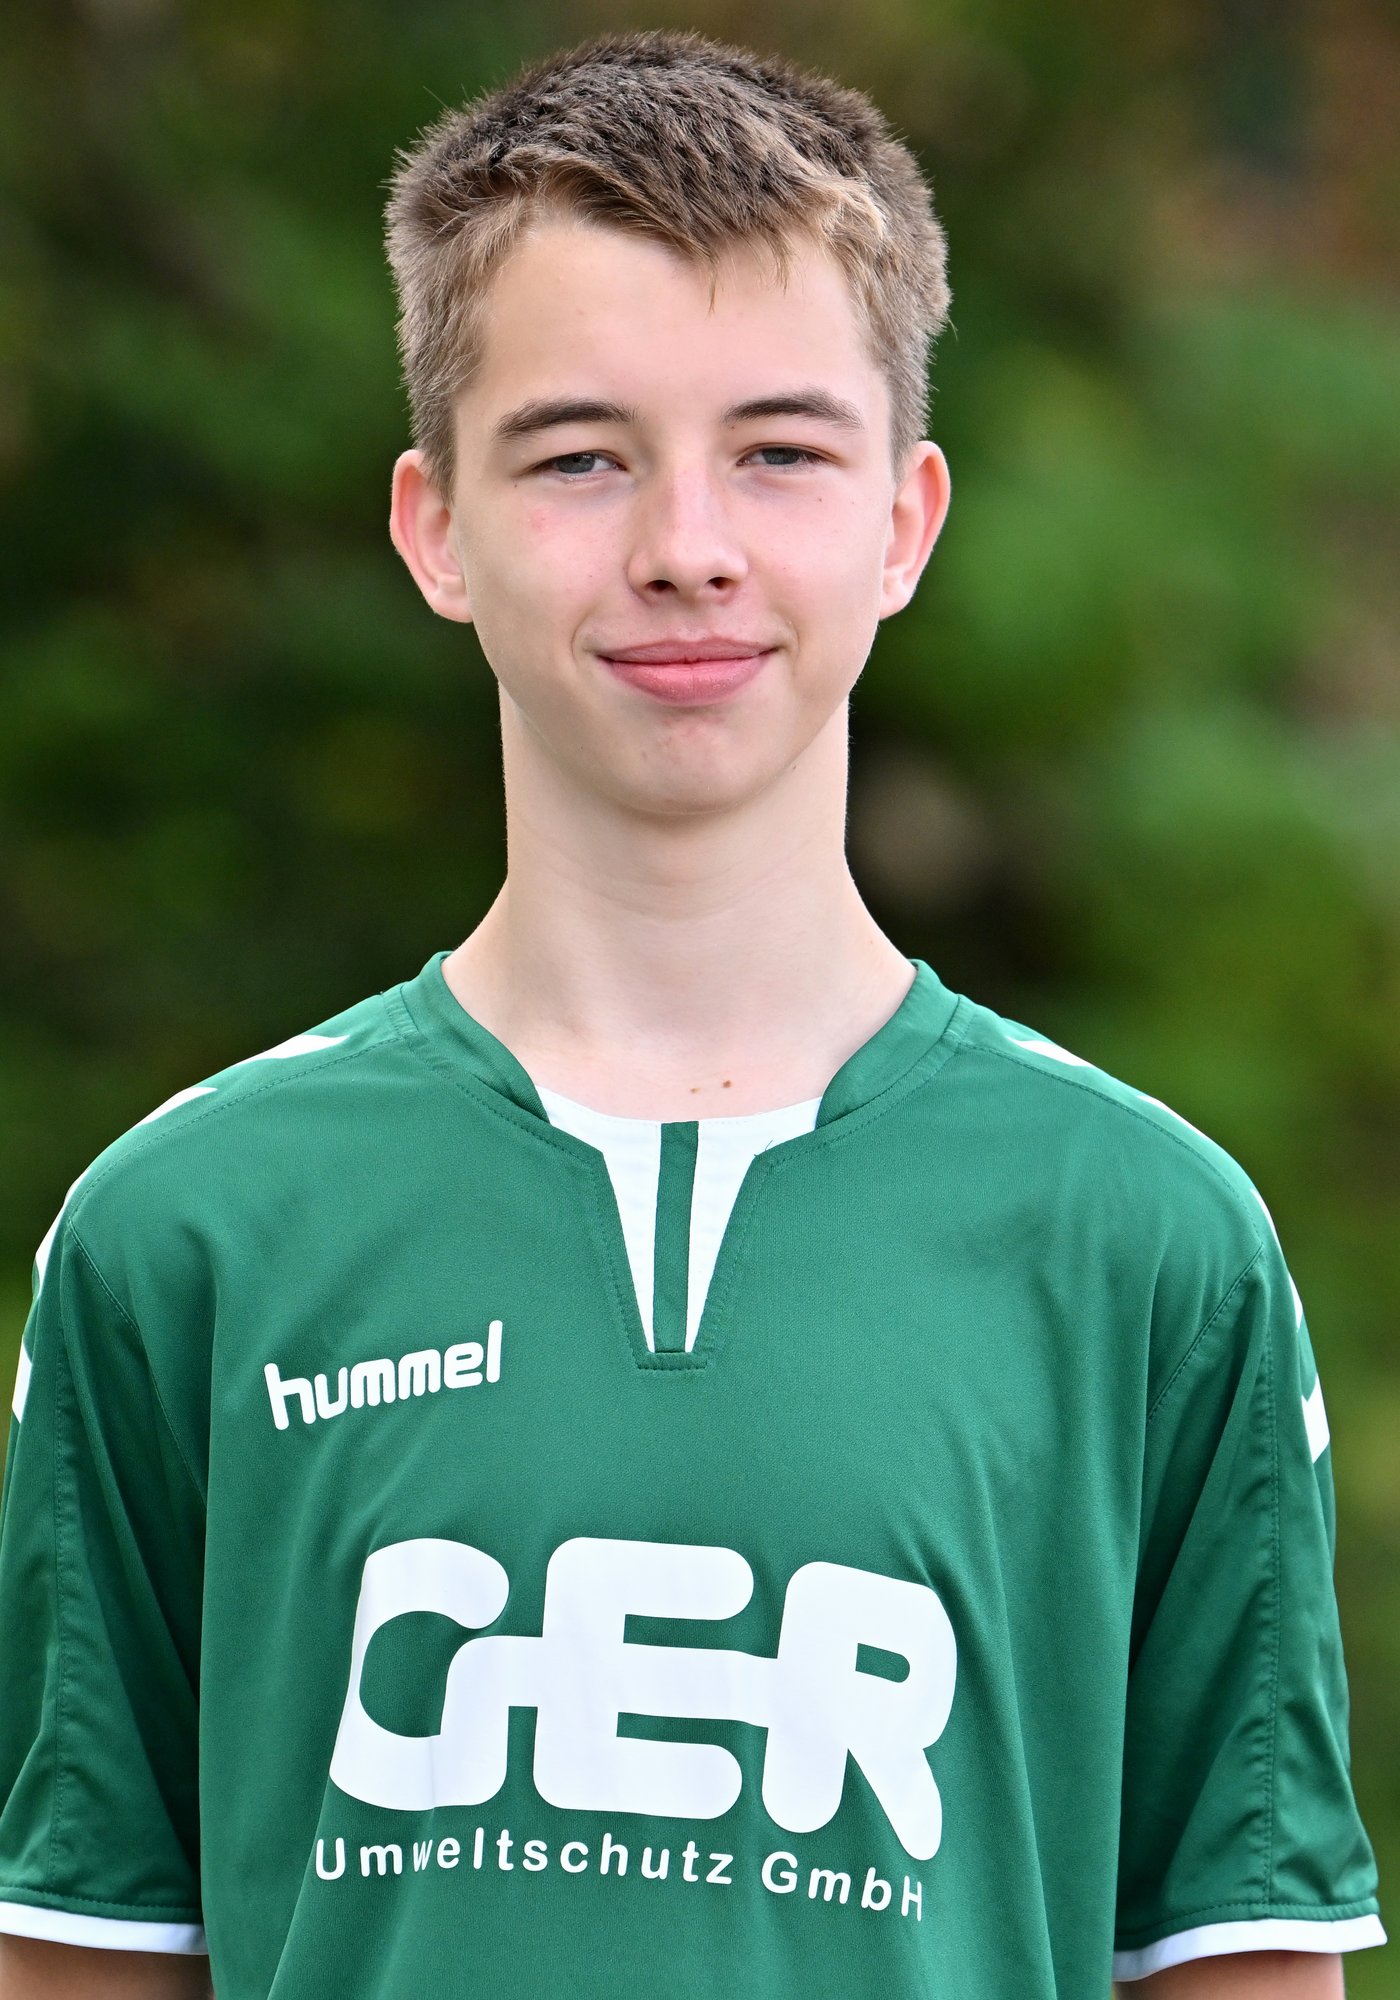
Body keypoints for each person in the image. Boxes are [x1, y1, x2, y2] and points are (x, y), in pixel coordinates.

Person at [0, 27, 1385, 2000]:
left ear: (903, 521)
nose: (684, 548)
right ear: (436, 525)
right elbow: (84, 1956)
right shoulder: (187, 1234)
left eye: (780, 451)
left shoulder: (1148, 1246)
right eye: (579, 455)